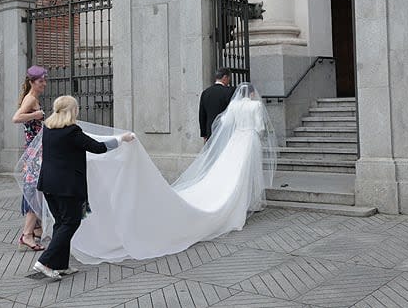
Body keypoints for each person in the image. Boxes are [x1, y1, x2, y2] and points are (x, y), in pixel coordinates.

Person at [67, 82, 277, 264]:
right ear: (251, 93)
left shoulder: (235, 106)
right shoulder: (255, 105)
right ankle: (248, 202)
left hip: (235, 140)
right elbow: (259, 127)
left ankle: (239, 200)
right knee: (245, 173)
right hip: (248, 140)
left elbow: (226, 123)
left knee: (230, 173)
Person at [32, 95, 135, 280]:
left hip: (48, 184)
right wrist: (121, 139)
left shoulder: (48, 128)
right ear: (73, 111)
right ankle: (44, 262)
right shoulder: (72, 131)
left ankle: (60, 264)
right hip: (67, 187)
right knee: (71, 222)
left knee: (61, 223)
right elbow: (97, 147)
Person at [11, 65, 47, 252]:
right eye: (41, 81)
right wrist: (36, 115)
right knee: (34, 191)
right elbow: (16, 118)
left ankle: (36, 229)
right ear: (33, 82)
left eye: (44, 81)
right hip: (34, 155)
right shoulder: (31, 98)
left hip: (36, 152)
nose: (44, 84)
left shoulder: (32, 98)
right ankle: (27, 235)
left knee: (37, 190)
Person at [199, 68, 234, 142]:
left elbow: (202, 114)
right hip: (225, 129)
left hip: (210, 130)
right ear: (225, 77)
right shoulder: (229, 92)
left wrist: (204, 133)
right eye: (229, 78)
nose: (229, 81)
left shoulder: (205, 92)